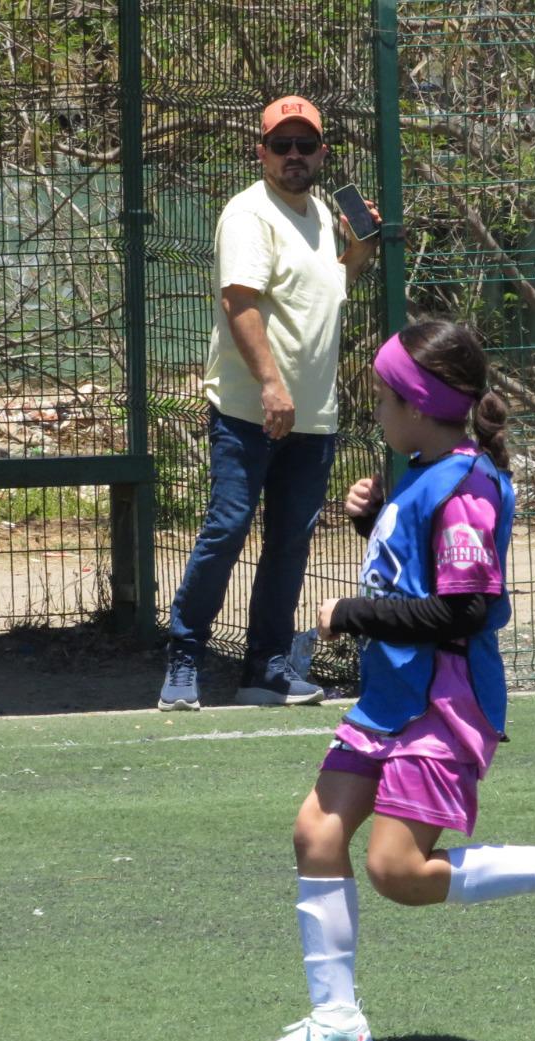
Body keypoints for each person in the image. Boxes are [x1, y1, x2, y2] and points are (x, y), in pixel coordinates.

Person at [241, 321, 535, 1041]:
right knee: (316, 833)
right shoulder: (421, 471)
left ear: (417, 407)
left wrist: (352, 614)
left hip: (441, 705)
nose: (375, 414)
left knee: (397, 872)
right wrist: (369, 524)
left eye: (382, 400)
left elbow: (464, 611)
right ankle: (335, 1021)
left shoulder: (468, 487)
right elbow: (415, 579)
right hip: (390, 697)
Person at [159, 95, 380, 711]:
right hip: (251, 413)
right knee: (226, 531)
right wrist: (270, 385)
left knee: (290, 543)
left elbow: (320, 297)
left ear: (321, 154)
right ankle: (184, 658)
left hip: (312, 417)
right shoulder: (248, 213)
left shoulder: (317, 217)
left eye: (304, 145)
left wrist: (356, 257)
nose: (292, 156)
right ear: (260, 152)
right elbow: (239, 302)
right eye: (281, 145)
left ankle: (266, 668)